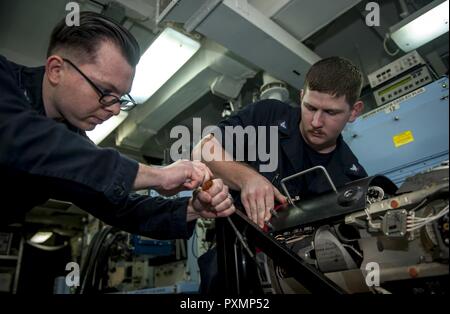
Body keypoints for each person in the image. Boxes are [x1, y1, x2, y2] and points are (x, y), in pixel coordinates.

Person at [0, 12, 235, 239]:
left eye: (120, 98)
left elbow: (120, 208)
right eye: (105, 91)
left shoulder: (73, 143)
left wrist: (192, 209)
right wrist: (157, 175)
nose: (113, 109)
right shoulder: (5, 79)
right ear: (56, 70)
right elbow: (24, 140)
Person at [192, 56, 368, 292]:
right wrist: (248, 178)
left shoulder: (353, 179)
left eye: (330, 112)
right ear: (301, 96)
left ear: (354, 111)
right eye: (310, 107)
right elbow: (202, 149)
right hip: (235, 263)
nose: (316, 121)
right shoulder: (268, 116)